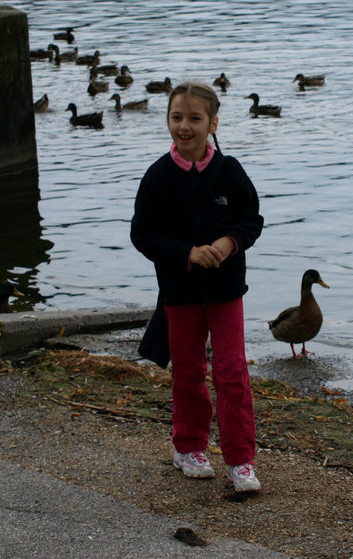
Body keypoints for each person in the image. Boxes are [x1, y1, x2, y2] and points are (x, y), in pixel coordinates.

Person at [130, 81, 265, 493]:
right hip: (179, 292)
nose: (184, 126)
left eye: (194, 118)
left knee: (231, 373)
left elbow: (252, 221)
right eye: (176, 117)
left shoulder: (230, 171)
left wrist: (228, 243)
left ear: (213, 123)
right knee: (188, 373)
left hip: (226, 291)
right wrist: (187, 253)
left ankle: (240, 461)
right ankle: (189, 448)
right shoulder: (157, 176)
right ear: (168, 120)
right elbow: (143, 235)